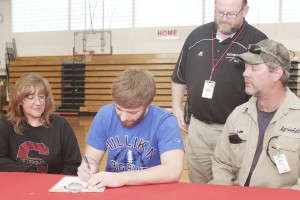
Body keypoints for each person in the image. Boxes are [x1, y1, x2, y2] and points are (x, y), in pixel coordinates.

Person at [171, 0, 268, 183]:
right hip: (198, 128)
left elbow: (266, 87)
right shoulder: (196, 36)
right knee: (199, 184)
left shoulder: (257, 41)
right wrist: (176, 107)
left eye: (230, 14)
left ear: (245, 10)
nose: (224, 19)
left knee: (232, 183)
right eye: (219, 12)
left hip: (236, 130)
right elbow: (179, 77)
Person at [210, 39, 300, 189]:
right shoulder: (238, 115)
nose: (245, 73)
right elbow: (221, 162)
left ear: (276, 74)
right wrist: (225, 193)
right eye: (245, 67)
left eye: (254, 68)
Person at [78, 67, 184, 188]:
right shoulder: (105, 115)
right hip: (114, 190)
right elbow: (91, 158)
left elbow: (173, 170)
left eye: (132, 112)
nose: (123, 117)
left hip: (151, 189)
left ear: (148, 104)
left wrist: (122, 178)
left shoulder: (165, 121)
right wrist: (88, 167)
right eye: (118, 108)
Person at [0, 73, 81, 175]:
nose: (38, 103)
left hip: (53, 186)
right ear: (19, 101)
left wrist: (52, 184)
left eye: (41, 97)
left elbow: (74, 164)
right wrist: (30, 173)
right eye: (30, 98)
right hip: (18, 185)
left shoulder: (61, 125)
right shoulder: (6, 125)